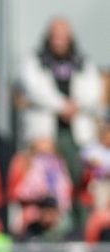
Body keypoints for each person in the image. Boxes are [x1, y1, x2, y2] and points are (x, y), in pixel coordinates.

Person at [20, 17, 103, 184]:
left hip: (77, 131)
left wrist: (76, 105)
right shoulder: (36, 61)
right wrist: (61, 105)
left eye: (62, 36)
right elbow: (35, 89)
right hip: (47, 132)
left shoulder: (82, 62)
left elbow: (94, 90)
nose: (59, 41)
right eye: (55, 36)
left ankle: (79, 210)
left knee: (81, 177)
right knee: (48, 181)